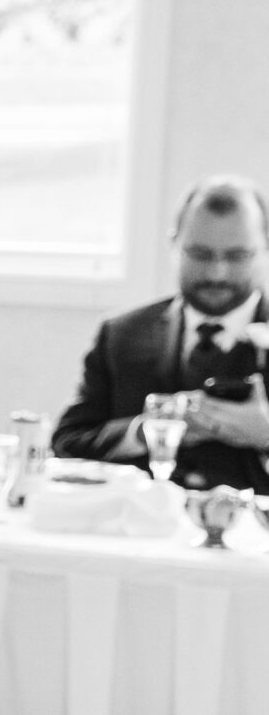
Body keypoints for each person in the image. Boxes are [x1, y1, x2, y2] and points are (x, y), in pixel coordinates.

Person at [55, 174, 269, 491]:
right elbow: (68, 444)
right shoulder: (121, 335)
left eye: (236, 257)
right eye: (199, 254)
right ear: (173, 244)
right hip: (138, 529)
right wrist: (144, 432)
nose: (216, 272)